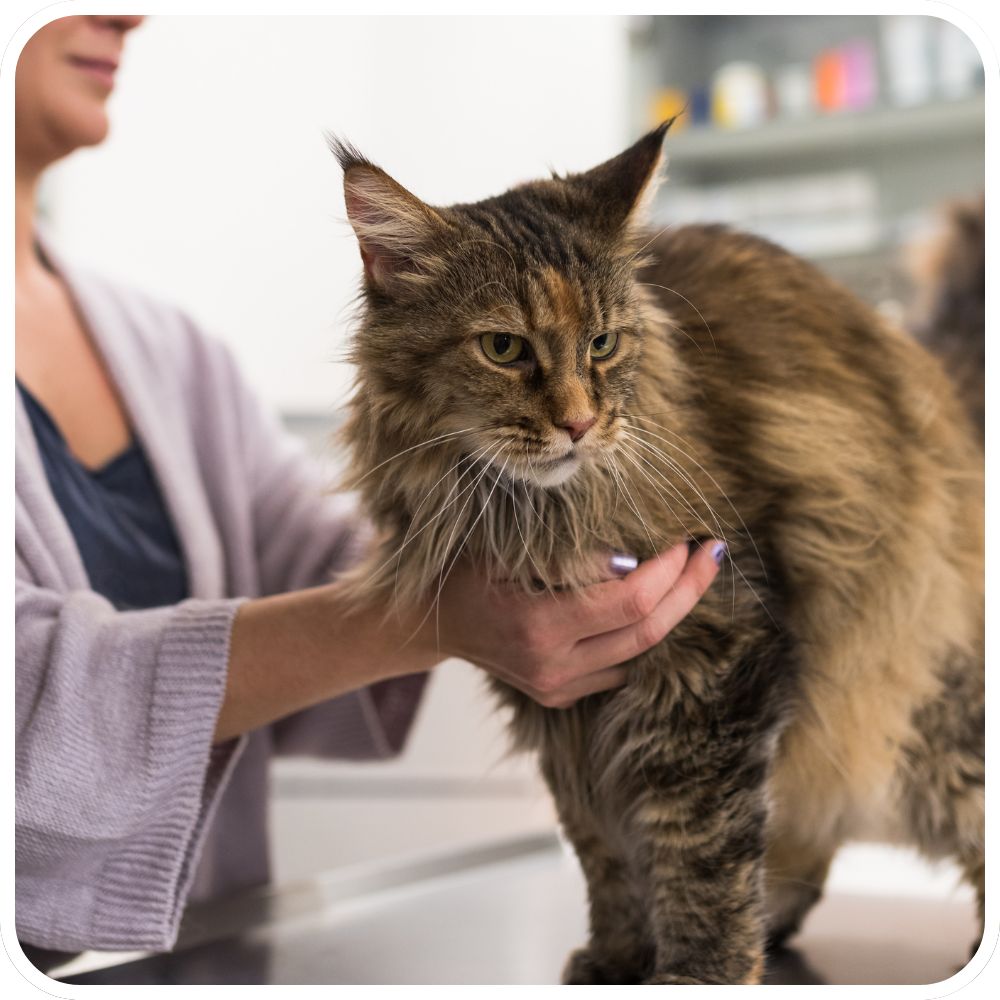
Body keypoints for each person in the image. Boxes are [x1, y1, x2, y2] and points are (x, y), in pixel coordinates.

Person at [14, 15, 723, 964]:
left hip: (203, 954)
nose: (126, 12)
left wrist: (528, 556)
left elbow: (315, 561)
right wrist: (433, 620)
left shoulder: (165, 348)